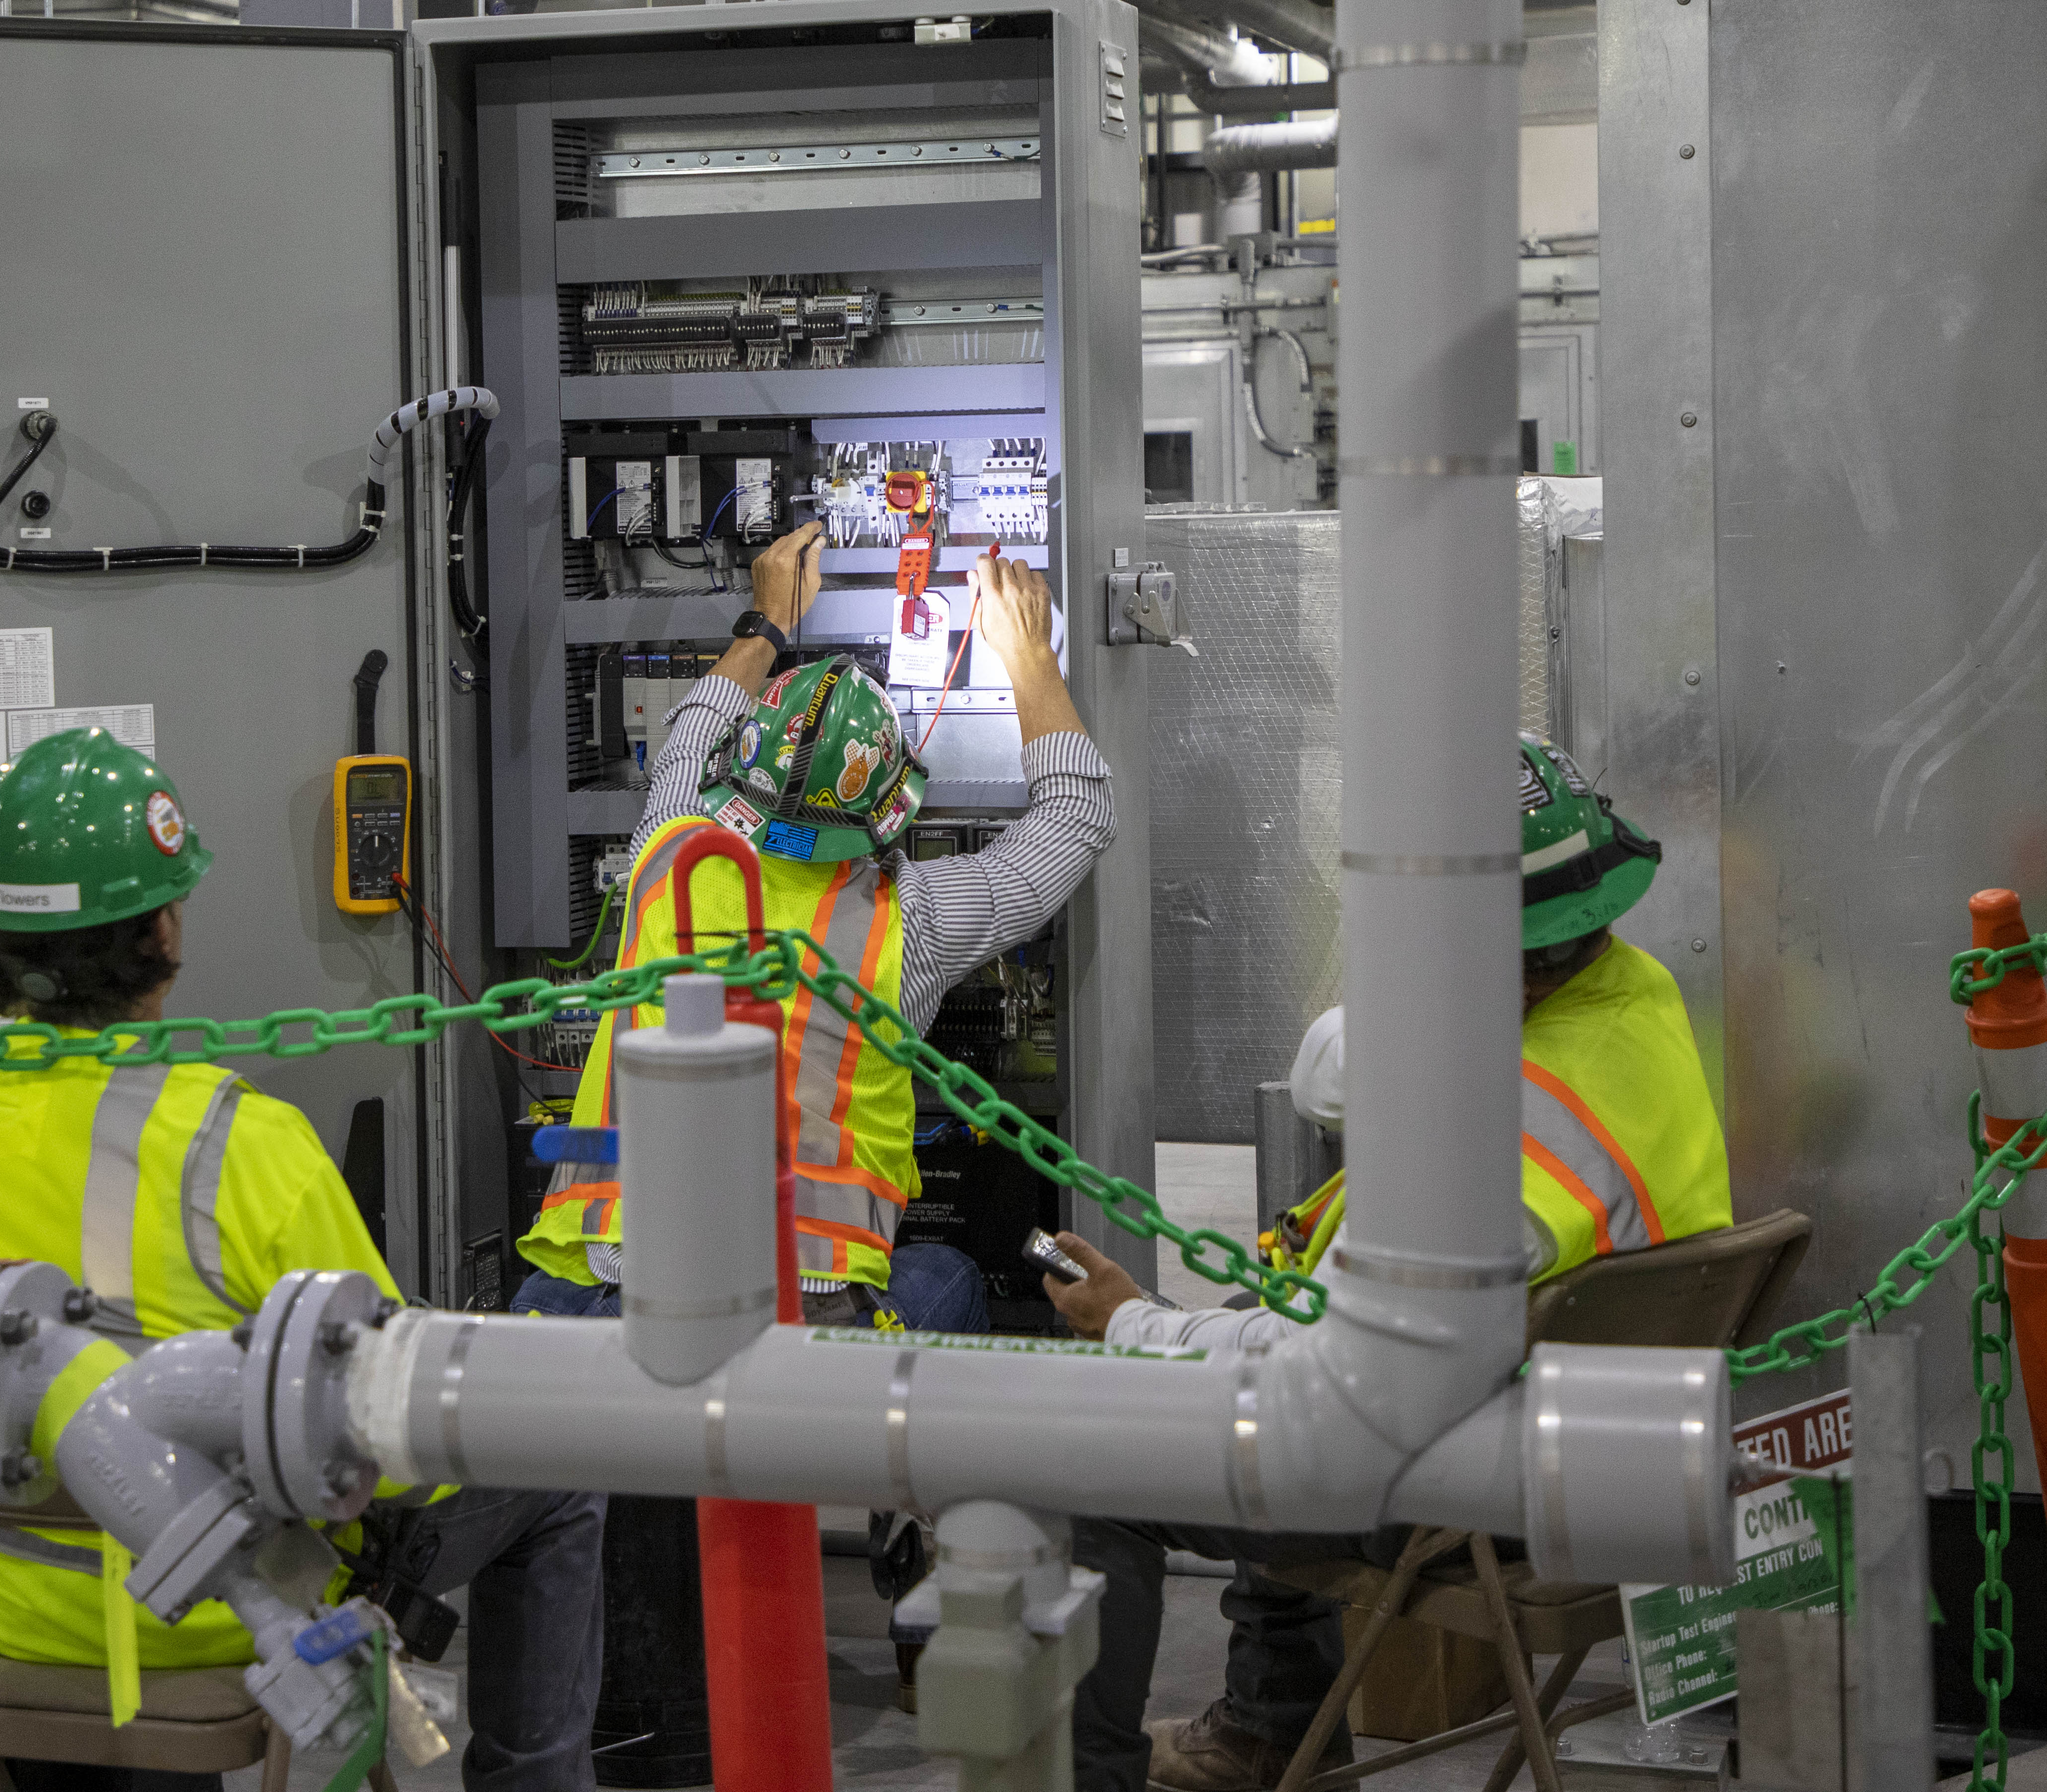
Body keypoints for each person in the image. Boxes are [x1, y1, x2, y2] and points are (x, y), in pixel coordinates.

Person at [0, 729, 605, 1792]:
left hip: (9, 1607)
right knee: (561, 1471)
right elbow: (389, 1448)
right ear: (163, 930)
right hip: (222, 1605)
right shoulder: (238, 1144)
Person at [1043, 735, 1733, 1792]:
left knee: (1088, 1458)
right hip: (1580, 1431)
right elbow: (1336, 1074)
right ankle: (1273, 1727)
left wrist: (1131, 1323)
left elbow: (1315, 1366)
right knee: (1229, 1321)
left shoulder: (1487, 1156)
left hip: (1455, 1480)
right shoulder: (1633, 997)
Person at [513, 521, 1117, 1331]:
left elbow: (687, 737)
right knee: (954, 1277)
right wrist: (1030, 655)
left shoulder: (667, 855)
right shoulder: (908, 924)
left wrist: (766, 623)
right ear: (891, 810)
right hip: (800, 1315)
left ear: (741, 769)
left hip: (614, 1297)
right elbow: (1077, 816)